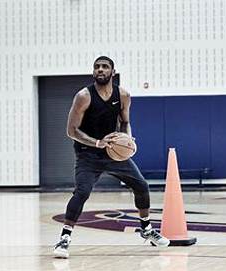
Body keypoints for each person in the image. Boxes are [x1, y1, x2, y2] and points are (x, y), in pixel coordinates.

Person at [53, 56, 170, 258]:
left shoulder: (123, 95)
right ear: (93, 72)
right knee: (82, 192)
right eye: (97, 67)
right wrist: (97, 142)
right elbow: (71, 130)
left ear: (112, 72)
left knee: (141, 185)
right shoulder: (83, 96)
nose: (100, 70)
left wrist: (126, 139)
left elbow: (125, 122)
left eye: (105, 67)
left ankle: (147, 228)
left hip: (113, 152)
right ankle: (64, 238)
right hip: (88, 153)